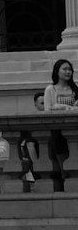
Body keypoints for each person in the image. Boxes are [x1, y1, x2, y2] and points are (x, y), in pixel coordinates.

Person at [43, 59, 77, 187]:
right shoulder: (50, 89)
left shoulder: (75, 90)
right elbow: (48, 110)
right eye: (65, 69)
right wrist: (65, 107)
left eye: (70, 69)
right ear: (57, 71)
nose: (68, 72)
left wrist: (59, 106)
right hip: (57, 131)